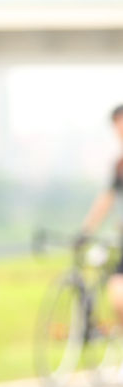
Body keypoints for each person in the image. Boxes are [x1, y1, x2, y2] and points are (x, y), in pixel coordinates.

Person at [78, 104, 123, 328]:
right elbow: (106, 199)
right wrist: (86, 230)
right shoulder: (120, 166)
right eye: (118, 128)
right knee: (117, 294)